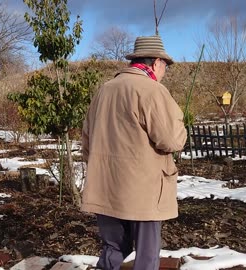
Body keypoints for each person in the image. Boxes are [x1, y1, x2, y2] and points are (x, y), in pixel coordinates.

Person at [81, 35, 187, 270]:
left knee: (113, 247)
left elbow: (86, 141)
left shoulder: (104, 91)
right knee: (147, 254)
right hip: (144, 191)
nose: (164, 72)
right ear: (157, 62)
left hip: (106, 185)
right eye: (165, 67)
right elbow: (171, 140)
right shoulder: (152, 91)